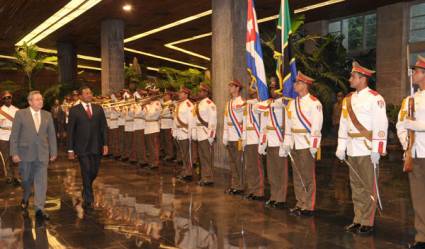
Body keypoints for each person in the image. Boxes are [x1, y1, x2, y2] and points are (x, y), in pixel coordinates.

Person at [335, 61, 388, 235]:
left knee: (367, 186)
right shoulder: (348, 100)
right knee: (356, 186)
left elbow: (381, 125)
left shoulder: (375, 98)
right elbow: (343, 124)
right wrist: (341, 147)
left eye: (353, 77)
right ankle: (358, 218)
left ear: (362, 78)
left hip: (366, 148)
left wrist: (377, 149)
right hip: (352, 148)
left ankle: (367, 221)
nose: (350, 79)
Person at [10, 91, 57, 221]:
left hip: (42, 154)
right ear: (30, 102)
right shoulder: (20, 114)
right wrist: (14, 153)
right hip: (25, 154)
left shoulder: (47, 115)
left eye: (41, 99)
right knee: (26, 180)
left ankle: (39, 209)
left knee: (41, 181)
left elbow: (52, 135)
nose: (40, 101)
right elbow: (14, 135)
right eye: (37, 99)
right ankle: (26, 194)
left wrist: (53, 152)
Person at [283, 72, 323, 216]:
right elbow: (288, 124)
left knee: (307, 175)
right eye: (295, 83)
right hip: (294, 142)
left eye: (297, 83)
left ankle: (309, 205)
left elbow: (316, 126)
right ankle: (300, 203)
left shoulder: (314, 103)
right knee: (297, 175)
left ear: (305, 85)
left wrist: (314, 144)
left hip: (306, 143)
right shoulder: (292, 104)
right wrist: (286, 142)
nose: (294, 85)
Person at [396, 55, 425, 249]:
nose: (413, 74)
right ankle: (422, 236)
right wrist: (406, 143)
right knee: (418, 198)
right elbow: (400, 124)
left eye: (416, 71)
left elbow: (413, 124)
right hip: (415, 153)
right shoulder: (409, 100)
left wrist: (412, 124)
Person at [67, 86, 108, 210]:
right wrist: (70, 149)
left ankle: (86, 187)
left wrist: (105, 144)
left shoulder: (98, 109)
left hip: (96, 145)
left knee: (94, 171)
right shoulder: (74, 110)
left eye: (90, 93)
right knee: (86, 169)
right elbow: (71, 131)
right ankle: (89, 198)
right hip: (81, 147)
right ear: (80, 96)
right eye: (86, 93)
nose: (89, 95)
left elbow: (103, 128)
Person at [255, 79, 288, 209]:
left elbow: (277, 107)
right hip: (269, 140)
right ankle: (274, 196)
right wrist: (262, 143)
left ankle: (281, 198)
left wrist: (268, 103)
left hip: (279, 141)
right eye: (271, 88)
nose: (272, 91)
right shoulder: (269, 103)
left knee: (281, 172)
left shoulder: (284, 102)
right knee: (272, 172)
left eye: (275, 88)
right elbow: (257, 109)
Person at [223, 80, 245, 195]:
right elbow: (226, 121)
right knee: (232, 162)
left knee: (238, 162)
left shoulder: (242, 102)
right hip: (230, 135)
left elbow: (244, 121)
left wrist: (243, 136)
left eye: (232, 86)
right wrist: (225, 135)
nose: (230, 88)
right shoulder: (228, 103)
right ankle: (234, 184)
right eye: (230, 85)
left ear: (237, 88)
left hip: (238, 136)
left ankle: (240, 186)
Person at [242, 88, 264, 200]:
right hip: (248, 138)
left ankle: (259, 191)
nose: (251, 90)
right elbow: (244, 122)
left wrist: (249, 101)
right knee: (249, 166)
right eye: (250, 88)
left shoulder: (260, 103)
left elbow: (259, 107)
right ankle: (251, 189)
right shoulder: (247, 104)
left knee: (257, 166)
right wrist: (243, 138)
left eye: (254, 88)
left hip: (256, 137)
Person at [193, 83, 217, 186]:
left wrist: (211, 135)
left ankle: (208, 178)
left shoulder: (210, 104)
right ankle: (204, 177)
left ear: (206, 92)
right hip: (199, 132)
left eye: (201, 91)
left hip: (206, 133)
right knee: (202, 157)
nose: (199, 93)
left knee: (207, 157)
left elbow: (213, 121)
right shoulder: (199, 104)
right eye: (199, 91)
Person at [173, 87, 194, 181]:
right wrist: (174, 131)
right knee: (182, 153)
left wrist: (190, 133)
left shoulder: (189, 105)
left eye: (181, 93)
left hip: (185, 132)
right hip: (179, 132)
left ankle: (188, 172)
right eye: (179, 92)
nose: (179, 94)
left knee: (186, 153)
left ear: (186, 95)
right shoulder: (179, 104)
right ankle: (185, 170)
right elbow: (175, 119)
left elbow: (191, 120)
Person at [0, 91, 19, 185]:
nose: (7, 99)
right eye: (5, 98)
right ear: (2, 100)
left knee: (15, 156)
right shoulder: (0, 110)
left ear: (11, 98)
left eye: (9, 97)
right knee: (6, 157)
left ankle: (16, 176)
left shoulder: (17, 110)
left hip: (15, 136)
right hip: (3, 136)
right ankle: (9, 176)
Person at [143, 86, 162, 169]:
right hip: (147, 127)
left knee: (154, 146)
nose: (150, 95)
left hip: (153, 126)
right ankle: (151, 161)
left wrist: (147, 112)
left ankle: (155, 163)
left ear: (156, 95)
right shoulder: (149, 104)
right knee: (149, 146)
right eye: (150, 94)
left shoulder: (157, 103)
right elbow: (143, 114)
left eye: (152, 94)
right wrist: (144, 106)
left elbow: (154, 114)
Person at [160, 90, 175, 161]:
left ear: (169, 96)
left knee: (168, 141)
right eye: (164, 95)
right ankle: (166, 153)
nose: (164, 96)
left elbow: (170, 113)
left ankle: (170, 154)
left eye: (166, 95)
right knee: (164, 140)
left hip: (168, 123)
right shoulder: (163, 104)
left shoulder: (171, 104)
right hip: (163, 123)